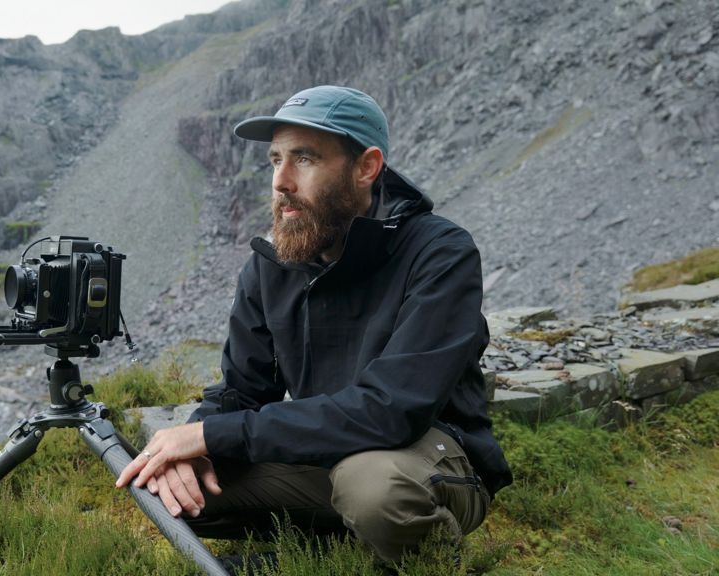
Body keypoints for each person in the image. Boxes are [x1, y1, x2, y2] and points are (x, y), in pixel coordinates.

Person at [116, 85, 512, 564]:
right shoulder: (272, 264)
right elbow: (241, 392)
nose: (281, 181)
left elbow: (392, 409)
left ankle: (433, 563)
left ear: (366, 167)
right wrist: (198, 438)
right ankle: (342, 554)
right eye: (275, 160)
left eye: (304, 159)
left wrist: (215, 436)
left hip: (428, 460)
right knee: (171, 487)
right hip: (325, 456)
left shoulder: (439, 253)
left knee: (372, 489)